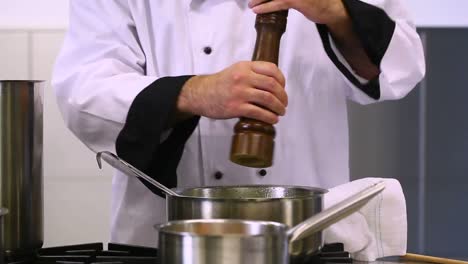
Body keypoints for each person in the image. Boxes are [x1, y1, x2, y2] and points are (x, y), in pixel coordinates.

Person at [53, 0, 425, 249]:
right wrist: (195, 92)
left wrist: (335, 11)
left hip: (302, 234)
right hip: (162, 241)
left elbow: (402, 65)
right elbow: (82, 91)